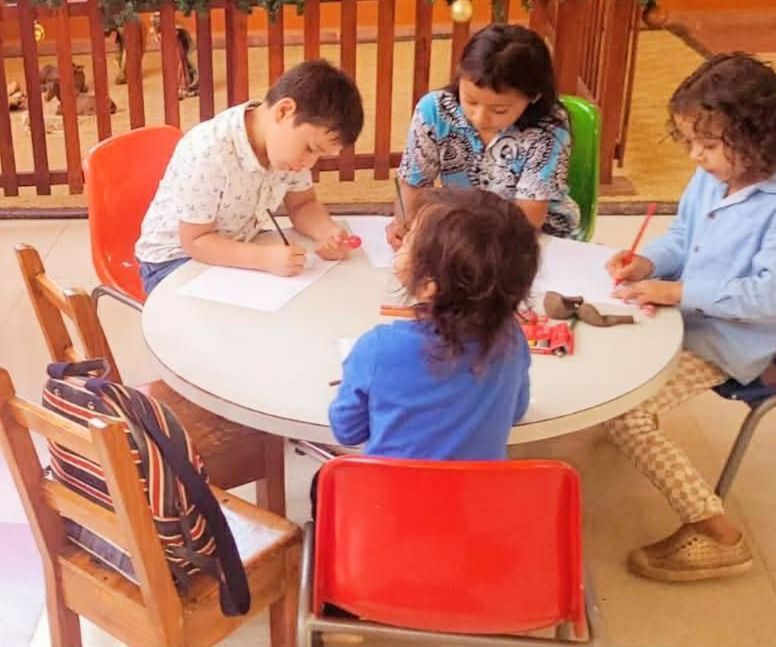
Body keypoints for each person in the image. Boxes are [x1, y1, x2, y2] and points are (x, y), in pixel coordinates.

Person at [604, 53, 776, 582]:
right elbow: (685, 238)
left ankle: (718, 534)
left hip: (731, 340)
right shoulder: (718, 177)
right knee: (597, 349)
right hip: (687, 314)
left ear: (762, 137)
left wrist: (676, 290)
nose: (695, 156)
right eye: (690, 141)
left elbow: (773, 299)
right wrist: (649, 261)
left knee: (627, 415)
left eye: (709, 145)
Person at [329, 188, 539, 459]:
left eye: (409, 240)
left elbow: (347, 431)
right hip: (477, 499)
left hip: (391, 499)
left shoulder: (377, 349)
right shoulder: (512, 337)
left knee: (320, 483)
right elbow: (516, 411)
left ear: (430, 285)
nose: (401, 242)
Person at [135, 59, 364, 293]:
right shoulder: (210, 149)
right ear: (284, 111)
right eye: (310, 148)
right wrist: (263, 258)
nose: (309, 162)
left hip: (235, 245)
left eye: (319, 156)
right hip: (173, 262)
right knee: (245, 320)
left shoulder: (287, 153)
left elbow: (303, 204)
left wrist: (326, 232)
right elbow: (196, 241)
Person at [387, 24, 580, 249]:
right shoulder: (435, 110)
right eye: (470, 100)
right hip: (459, 227)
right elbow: (413, 183)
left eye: (499, 110)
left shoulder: (548, 130)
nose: (480, 118)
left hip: (530, 237)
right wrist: (407, 224)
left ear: (534, 96)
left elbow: (529, 220)